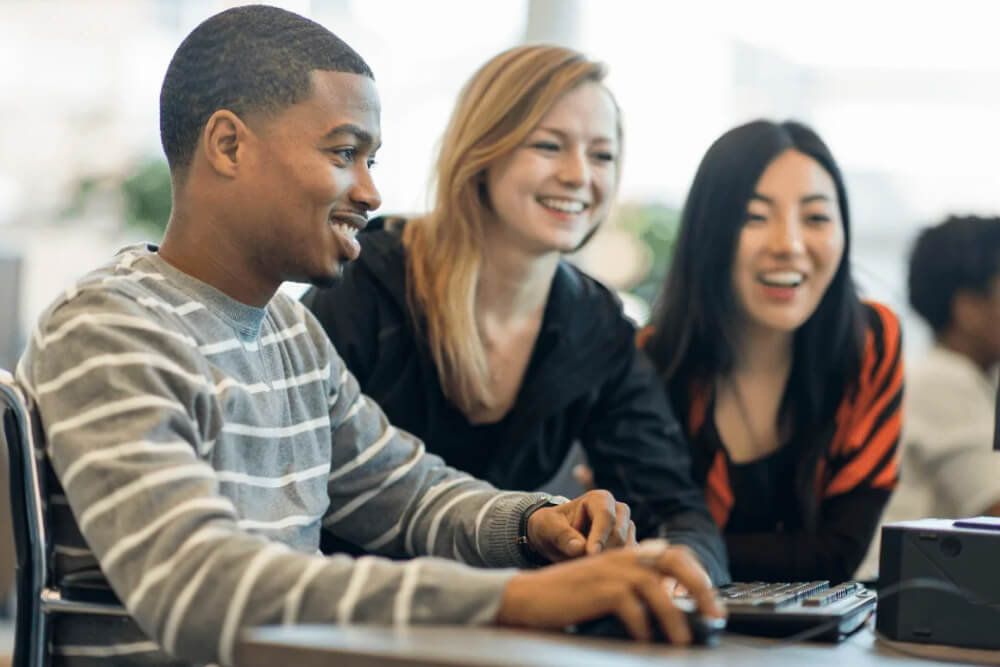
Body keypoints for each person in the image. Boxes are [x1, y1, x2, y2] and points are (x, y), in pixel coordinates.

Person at [14, 7, 721, 666]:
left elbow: (408, 495)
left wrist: (537, 522)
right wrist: (515, 599)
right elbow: (197, 584)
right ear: (228, 145)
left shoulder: (291, 332)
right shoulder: (109, 328)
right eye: (344, 152)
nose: (371, 194)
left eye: (372, 160)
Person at [301, 45, 728, 584]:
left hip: (503, 631)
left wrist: (680, 578)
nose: (579, 176)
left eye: (601, 156)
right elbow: (292, 492)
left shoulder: (597, 326)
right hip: (351, 622)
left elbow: (675, 509)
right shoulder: (366, 285)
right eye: (550, 146)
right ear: (483, 152)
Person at [641, 120, 903, 583]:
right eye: (753, 216)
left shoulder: (871, 342)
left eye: (817, 217)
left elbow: (837, 554)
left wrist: (683, 549)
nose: (789, 245)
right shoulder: (651, 362)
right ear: (708, 233)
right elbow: (640, 543)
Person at [858, 215, 1000, 579]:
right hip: (888, 596)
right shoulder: (944, 380)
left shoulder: (975, 377)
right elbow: (993, 508)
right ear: (967, 308)